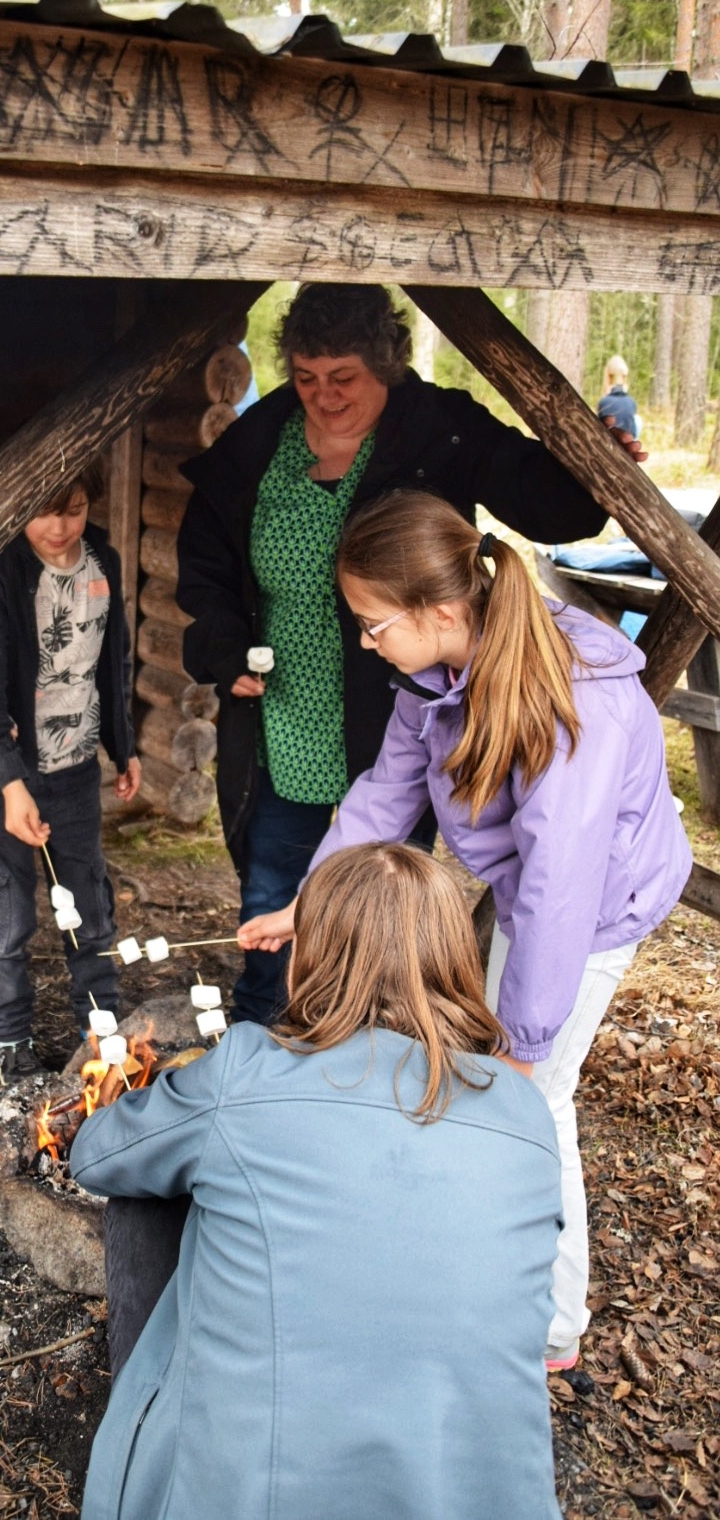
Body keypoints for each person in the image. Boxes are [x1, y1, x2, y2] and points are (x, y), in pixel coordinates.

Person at [239, 490, 691, 1372]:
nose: (366, 643)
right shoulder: (435, 670)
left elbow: (563, 884)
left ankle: (552, 1326)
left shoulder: (574, 703)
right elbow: (384, 791)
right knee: (497, 1080)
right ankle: (489, 1261)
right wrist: (310, 901)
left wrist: (524, 1041)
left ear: (440, 610)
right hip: (536, 891)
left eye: (374, 625)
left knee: (532, 1100)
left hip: (598, 905)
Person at [176, 281, 646, 1027]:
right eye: (305, 378)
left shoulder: (438, 429)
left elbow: (549, 503)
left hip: (394, 701)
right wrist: (224, 644)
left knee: (382, 887)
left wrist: (596, 463)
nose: (322, 398)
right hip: (283, 712)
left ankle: (369, 1027)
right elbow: (202, 555)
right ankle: (266, 1027)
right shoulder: (266, 437)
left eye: (343, 379)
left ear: (386, 365)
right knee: (273, 883)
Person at [71, 843, 565, 1520]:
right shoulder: (526, 1113)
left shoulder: (249, 1069)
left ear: (314, 956)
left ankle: (151, 1448)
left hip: (262, 1494)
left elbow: (98, 1157)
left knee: (153, 1196)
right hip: (483, 1494)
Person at [0, 459, 141, 1083]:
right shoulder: (0, 573)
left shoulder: (103, 565)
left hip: (76, 769)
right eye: (45, 512)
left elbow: (110, 662)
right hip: (6, 775)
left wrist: (124, 744)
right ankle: (12, 1038)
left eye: (75, 510)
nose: (60, 527)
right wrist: (9, 783)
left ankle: (102, 1028)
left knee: (88, 903)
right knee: (8, 911)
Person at [598, 353, 641, 439]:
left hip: (608, 441)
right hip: (627, 440)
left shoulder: (603, 402)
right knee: (637, 419)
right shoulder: (631, 402)